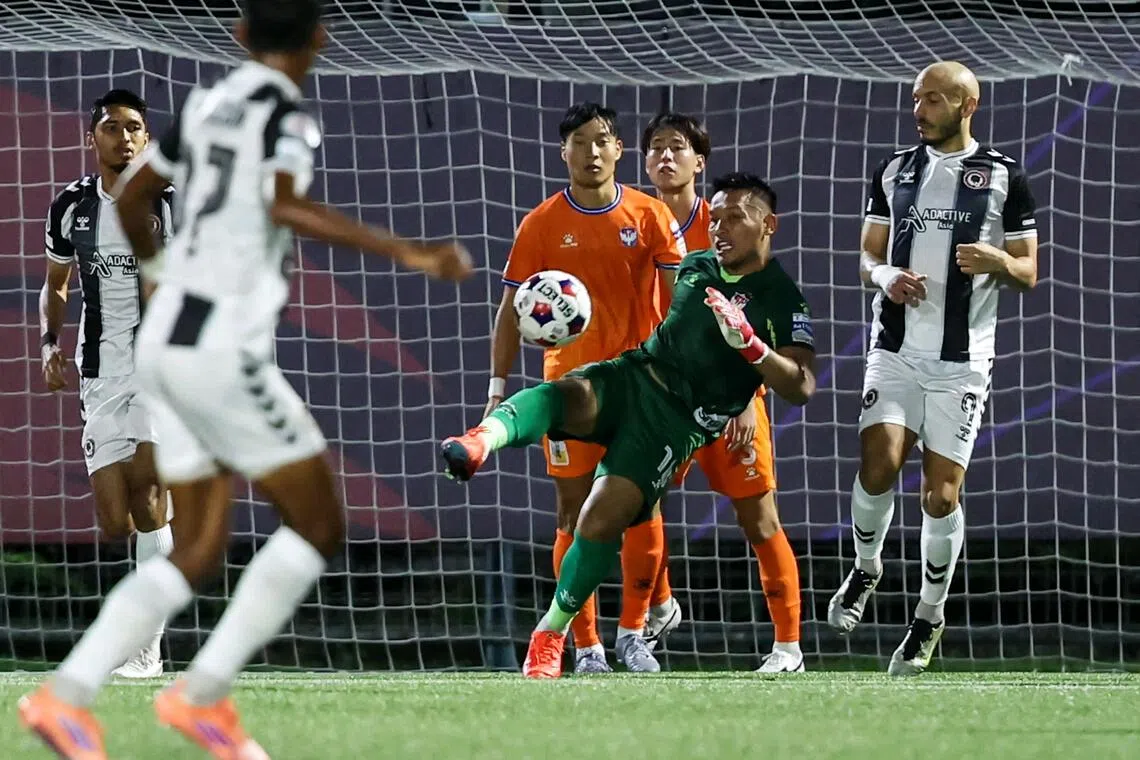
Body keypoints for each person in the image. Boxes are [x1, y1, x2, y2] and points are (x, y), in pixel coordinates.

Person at [18, 1, 472, 757]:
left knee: (195, 545)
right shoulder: (287, 117)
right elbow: (280, 201)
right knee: (319, 522)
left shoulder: (203, 105)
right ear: (321, 39)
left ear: (238, 37)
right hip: (222, 348)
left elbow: (132, 201)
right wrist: (409, 253)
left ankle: (67, 698)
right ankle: (198, 696)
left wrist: (161, 275)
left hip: (161, 341)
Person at [442, 172, 816, 678]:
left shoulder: (782, 297)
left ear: (768, 224)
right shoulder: (697, 265)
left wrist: (752, 350)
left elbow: (802, 385)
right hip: (634, 375)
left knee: (600, 521)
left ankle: (550, 633)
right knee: (563, 395)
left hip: (673, 427)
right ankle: (480, 441)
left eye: (735, 218)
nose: (720, 228)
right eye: (716, 217)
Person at [827, 60, 1039, 676]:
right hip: (894, 349)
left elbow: (1028, 271)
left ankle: (927, 616)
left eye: (932, 101)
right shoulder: (894, 171)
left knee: (940, 496)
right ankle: (866, 569)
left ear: (965, 105)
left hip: (961, 364)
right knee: (879, 462)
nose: (919, 111)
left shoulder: (1004, 177)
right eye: (916, 100)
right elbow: (868, 256)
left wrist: (997, 257)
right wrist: (886, 274)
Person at [484, 101, 685, 673]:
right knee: (573, 513)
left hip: (643, 390)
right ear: (563, 151)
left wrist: (679, 376)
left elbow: (679, 302)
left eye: (602, 140)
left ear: (619, 150)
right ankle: (586, 646)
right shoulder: (542, 223)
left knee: (641, 508)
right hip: (572, 391)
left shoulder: (649, 216)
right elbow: (508, 311)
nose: (591, 152)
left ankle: (633, 635)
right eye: (579, 141)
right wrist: (498, 386)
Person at [640, 113, 805, 672]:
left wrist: (748, 394)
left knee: (759, 518)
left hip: (734, 398)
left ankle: (789, 647)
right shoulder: (634, 220)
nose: (665, 158)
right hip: (667, 394)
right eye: (656, 148)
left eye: (677, 148)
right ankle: (658, 604)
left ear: (698, 163)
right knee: (636, 499)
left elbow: (756, 315)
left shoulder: (728, 223)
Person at [40, 87, 176, 679]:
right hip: (100, 371)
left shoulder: (167, 203)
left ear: (147, 138)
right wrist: (49, 342)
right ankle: (167, 539)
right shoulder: (71, 207)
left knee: (147, 504)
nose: (123, 137)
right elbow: (56, 283)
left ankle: (146, 648)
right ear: (91, 137)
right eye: (111, 128)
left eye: (134, 128)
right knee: (115, 521)